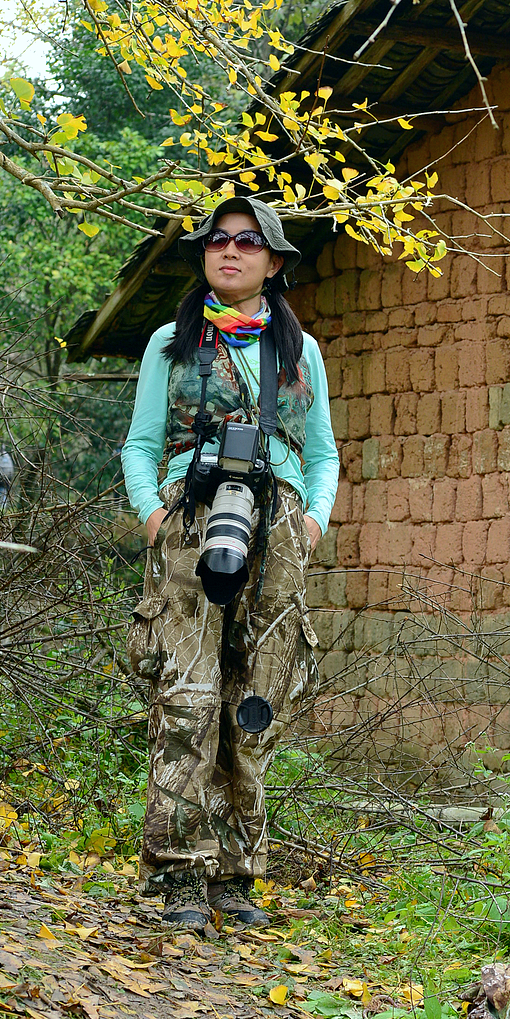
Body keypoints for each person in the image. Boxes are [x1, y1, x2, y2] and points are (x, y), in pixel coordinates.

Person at [121, 196, 339, 933]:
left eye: (248, 242)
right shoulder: (169, 343)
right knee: (189, 692)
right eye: (218, 241)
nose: (230, 250)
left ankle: (236, 872)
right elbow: (139, 444)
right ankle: (181, 871)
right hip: (191, 516)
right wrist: (154, 516)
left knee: (255, 702)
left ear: (274, 263)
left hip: (277, 523)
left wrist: (311, 520)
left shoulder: (299, 348)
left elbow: (325, 452)